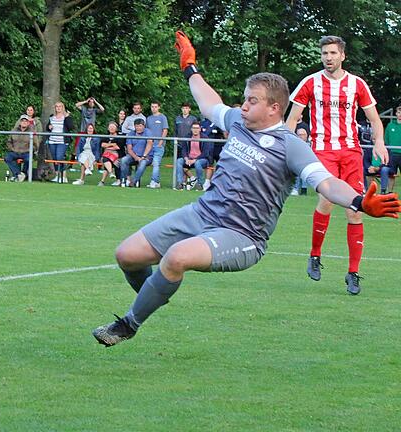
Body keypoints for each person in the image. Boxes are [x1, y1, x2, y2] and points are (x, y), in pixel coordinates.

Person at [91, 31, 401, 348]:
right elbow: (209, 101)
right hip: (201, 213)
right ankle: (154, 296)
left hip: (242, 235)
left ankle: (129, 323)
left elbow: (326, 182)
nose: (243, 106)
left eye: (252, 101)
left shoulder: (290, 146)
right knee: (126, 255)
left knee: (175, 258)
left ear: (274, 108)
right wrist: (190, 67)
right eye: (244, 98)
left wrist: (359, 201)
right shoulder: (239, 122)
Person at [285, 35, 388, 295]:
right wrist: (284, 146)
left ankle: (353, 272)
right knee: (327, 201)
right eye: (324, 53)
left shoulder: (357, 84)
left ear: (342, 55)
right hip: (322, 152)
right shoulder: (311, 83)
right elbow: (293, 118)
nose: (328, 57)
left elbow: (374, 119)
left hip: (351, 152)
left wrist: (379, 142)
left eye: (332, 53)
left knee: (356, 210)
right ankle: (315, 255)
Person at [175, 122, 211, 191]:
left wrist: (195, 160)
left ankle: (200, 184)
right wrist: (186, 158)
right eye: (194, 128)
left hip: (202, 159)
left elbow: (205, 153)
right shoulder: (187, 137)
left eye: (197, 128)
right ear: (191, 129)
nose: (195, 130)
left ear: (200, 129)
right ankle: (180, 183)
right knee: (179, 161)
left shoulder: (205, 138)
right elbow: (184, 150)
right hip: (189, 158)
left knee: (197, 163)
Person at [119, 118, 153, 188]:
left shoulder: (148, 132)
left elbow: (149, 144)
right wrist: (136, 158)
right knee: (123, 160)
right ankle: (123, 180)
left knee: (143, 162)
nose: (138, 128)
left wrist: (143, 156)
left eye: (140, 126)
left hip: (146, 156)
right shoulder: (131, 133)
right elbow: (129, 149)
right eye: (136, 126)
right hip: (133, 156)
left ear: (144, 126)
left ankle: (134, 181)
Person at [46, 101, 73, 182]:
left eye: (60, 106)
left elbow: (71, 127)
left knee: (59, 157)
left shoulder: (66, 117)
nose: (58, 108)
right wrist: (49, 127)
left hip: (62, 141)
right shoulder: (52, 117)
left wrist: (67, 117)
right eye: (57, 106)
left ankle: (64, 176)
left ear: (63, 107)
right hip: (52, 141)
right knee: (54, 159)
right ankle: (57, 176)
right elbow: (47, 127)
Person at [145, 101, 169, 188]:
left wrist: (160, 143)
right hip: (150, 145)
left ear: (159, 107)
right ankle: (157, 182)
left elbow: (165, 130)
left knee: (156, 163)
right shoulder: (148, 118)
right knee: (154, 163)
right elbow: (147, 131)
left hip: (159, 145)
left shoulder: (163, 117)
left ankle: (153, 181)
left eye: (155, 106)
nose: (153, 108)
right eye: (152, 106)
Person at [200, 116, 226, 189]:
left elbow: (224, 133)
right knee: (209, 164)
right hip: (209, 147)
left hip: (219, 146)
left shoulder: (220, 122)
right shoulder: (204, 122)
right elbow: (204, 133)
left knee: (220, 165)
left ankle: (219, 182)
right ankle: (207, 182)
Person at [6, 115, 34, 182]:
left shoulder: (32, 131)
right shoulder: (14, 130)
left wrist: (31, 150)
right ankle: (18, 174)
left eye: (26, 121)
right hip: (15, 151)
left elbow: (35, 143)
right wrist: (11, 149)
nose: (24, 122)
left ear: (28, 123)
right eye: (22, 121)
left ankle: (23, 173)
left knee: (29, 159)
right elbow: (9, 142)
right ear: (20, 122)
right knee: (7, 158)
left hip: (26, 152)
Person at [380, 106, 401, 193]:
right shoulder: (390, 125)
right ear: (396, 113)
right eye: (399, 113)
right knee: (391, 174)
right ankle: (390, 193)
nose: (400, 115)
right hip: (392, 154)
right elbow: (386, 140)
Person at [99, 121, 126, 186]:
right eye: (110, 127)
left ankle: (103, 181)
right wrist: (112, 144)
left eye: (113, 127)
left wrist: (108, 146)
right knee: (106, 158)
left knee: (107, 159)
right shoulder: (105, 136)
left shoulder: (120, 136)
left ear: (116, 128)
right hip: (108, 155)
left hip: (118, 154)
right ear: (108, 128)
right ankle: (111, 174)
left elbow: (117, 147)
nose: (111, 128)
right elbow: (102, 145)